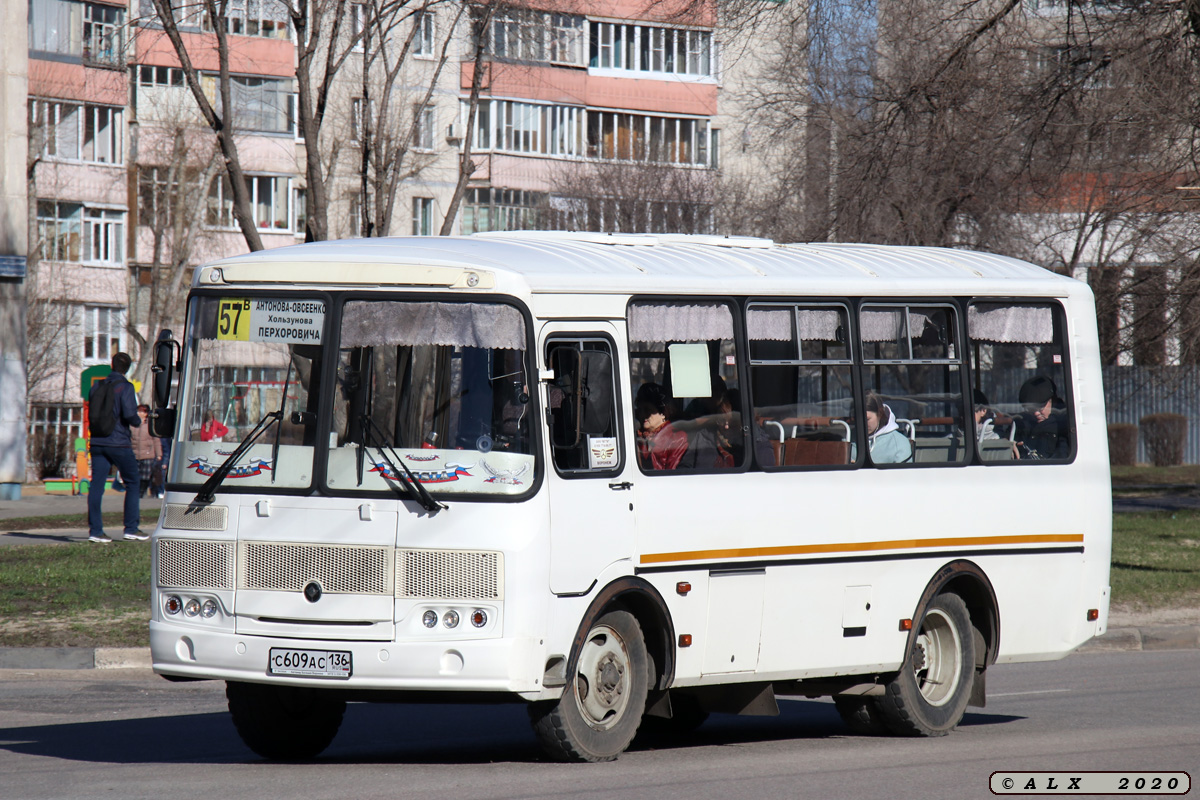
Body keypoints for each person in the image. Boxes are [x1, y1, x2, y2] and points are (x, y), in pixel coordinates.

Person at [87, 352, 149, 543]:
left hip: (97, 441)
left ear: (111, 365)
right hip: (119, 443)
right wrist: (138, 421)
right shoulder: (125, 387)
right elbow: (130, 414)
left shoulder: (96, 386)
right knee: (132, 482)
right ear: (128, 368)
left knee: (96, 486)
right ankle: (131, 528)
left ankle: (95, 531)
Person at [634, 383, 690, 470]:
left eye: (648, 410)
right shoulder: (635, 437)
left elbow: (671, 474)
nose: (643, 414)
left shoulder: (677, 438)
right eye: (640, 410)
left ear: (663, 413)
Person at [1015, 375, 1069, 459]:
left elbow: (1063, 455)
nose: (1036, 413)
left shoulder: (1065, 425)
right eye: (1031, 409)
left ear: (1053, 401)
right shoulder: (1021, 423)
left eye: (1041, 407)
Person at [865, 392, 912, 464]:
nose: (863, 423)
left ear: (879, 414)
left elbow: (904, 474)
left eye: (867, 419)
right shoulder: (848, 439)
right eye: (858, 419)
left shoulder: (899, 444)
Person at [131, 404, 162, 498]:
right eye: (139, 411)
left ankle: (142, 492)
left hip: (148, 455)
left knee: (145, 477)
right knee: (134, 476)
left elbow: (156, 440)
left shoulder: (150, 425)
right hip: (134, 455)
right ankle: (136, 493)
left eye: (142, 411)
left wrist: (159, 454)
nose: (140, 413)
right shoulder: (132, 425)